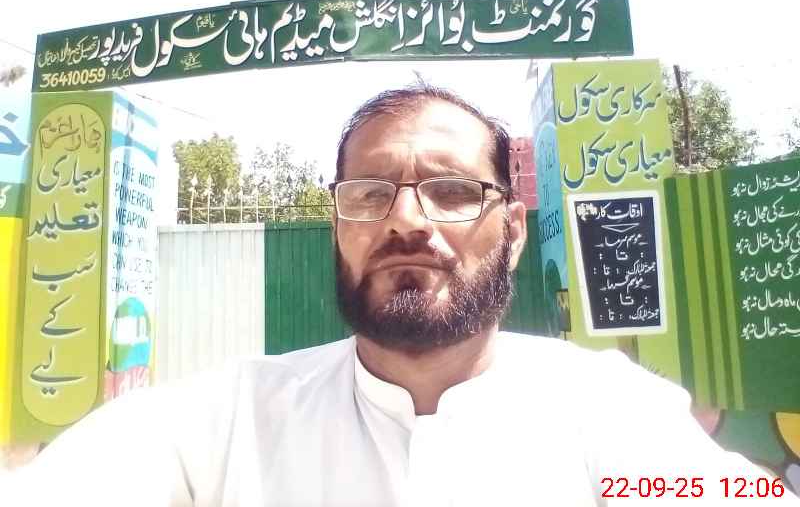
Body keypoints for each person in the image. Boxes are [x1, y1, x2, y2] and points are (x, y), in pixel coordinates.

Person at [4, 83, 798, 506]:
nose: (407, 221)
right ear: (337, 226)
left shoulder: (611, 409)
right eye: (369, 194)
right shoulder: (229, 418)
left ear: (513, 230)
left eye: (452, 191)